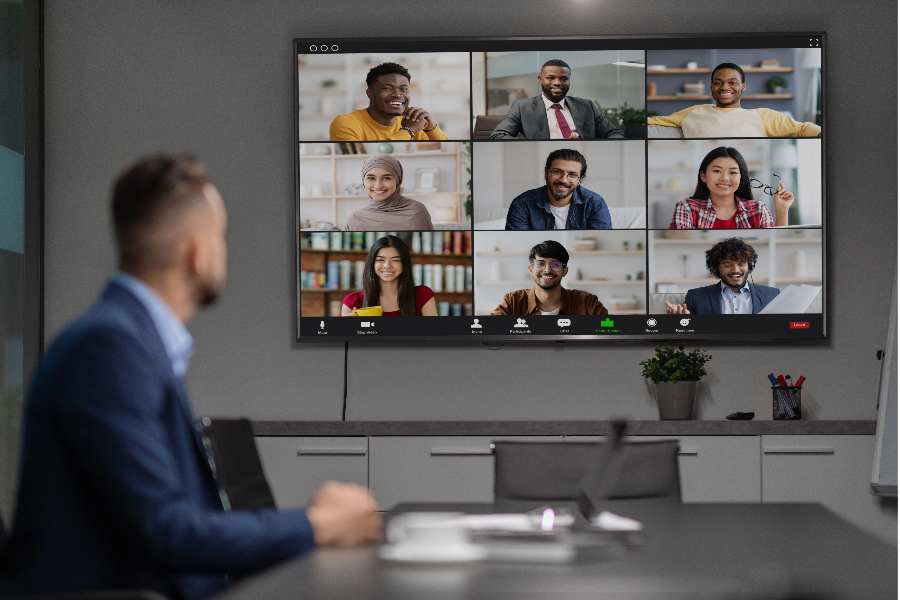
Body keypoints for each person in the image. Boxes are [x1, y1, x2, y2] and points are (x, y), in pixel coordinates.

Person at [0, 153, 383, 600]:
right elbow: (167, 533)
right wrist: (316, 524)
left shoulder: (129, 339)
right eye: (220, 236)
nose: (224, 249)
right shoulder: (107, 348)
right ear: (197, 251)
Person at [648, 63, 822, 138]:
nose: (724, 87)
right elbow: (650, 122)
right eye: (718, 83)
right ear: (711, 87)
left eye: (732, 83)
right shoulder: (693, 112)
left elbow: (802, 128)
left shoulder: (762, 115)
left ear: (743, 87)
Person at [489, 59, 625, 140]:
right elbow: (498, 135)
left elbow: (614, 133)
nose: (557, 83)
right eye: (550, 78)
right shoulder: (522, 107)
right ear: (540, 80)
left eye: (564, 79)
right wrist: (533, 146)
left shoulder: (586, 105)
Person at [669, 146, 794, 229]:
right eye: (717, 171)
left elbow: (775, 242)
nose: (725, 178)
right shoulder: (686, 208)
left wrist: (782, 210)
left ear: (741, 177)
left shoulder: (759, 210)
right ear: (703, 176)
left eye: (733, 172)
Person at [329, 62, 449, 141]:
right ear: (370, 93)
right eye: (387, 88)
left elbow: (445, 151)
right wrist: (408, 131)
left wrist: (431, 128)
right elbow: (375, 159)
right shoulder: (346, 123)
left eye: (404, 89)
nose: (397, 94)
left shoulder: (411, 122)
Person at [490, 240, 608, 316]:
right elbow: (488, 329)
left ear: (565, 271)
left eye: (555, 264)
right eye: (540, 263)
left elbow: (612, 330)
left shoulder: (587, 302)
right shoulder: (513, 301)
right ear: (531, 270)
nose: (547, 270)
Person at [665, 237, 780, 314]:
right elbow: (688, 331)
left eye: (741, 264)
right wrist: (681, 319)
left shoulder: (773, 294)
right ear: (716, 268)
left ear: (750, 266)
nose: (736, 270)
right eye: (727, 265)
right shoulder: (695, 296)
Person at [505, 148, 612, 230]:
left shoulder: (595, 204)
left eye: (572, 175)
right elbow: (517, 244)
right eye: (557, 172)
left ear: (580, 180)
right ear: (546, 173)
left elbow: (601, 244)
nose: (563, 180)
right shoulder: (522, 204)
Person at [341, 235, 438, 316]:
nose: (387, 266)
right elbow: (346, 339)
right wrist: (350, 328)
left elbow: (435, 335)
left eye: (395, 260)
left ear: (404, 263)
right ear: (372, 264)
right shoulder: (353, 301)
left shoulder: (423, 295)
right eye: (380, 260)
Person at [346, 155, 434, 231]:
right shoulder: (355, 220)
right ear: (363, 181)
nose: (378, 186)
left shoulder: (416, 211)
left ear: (398, 180)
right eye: (371, 178)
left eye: (386, 178)